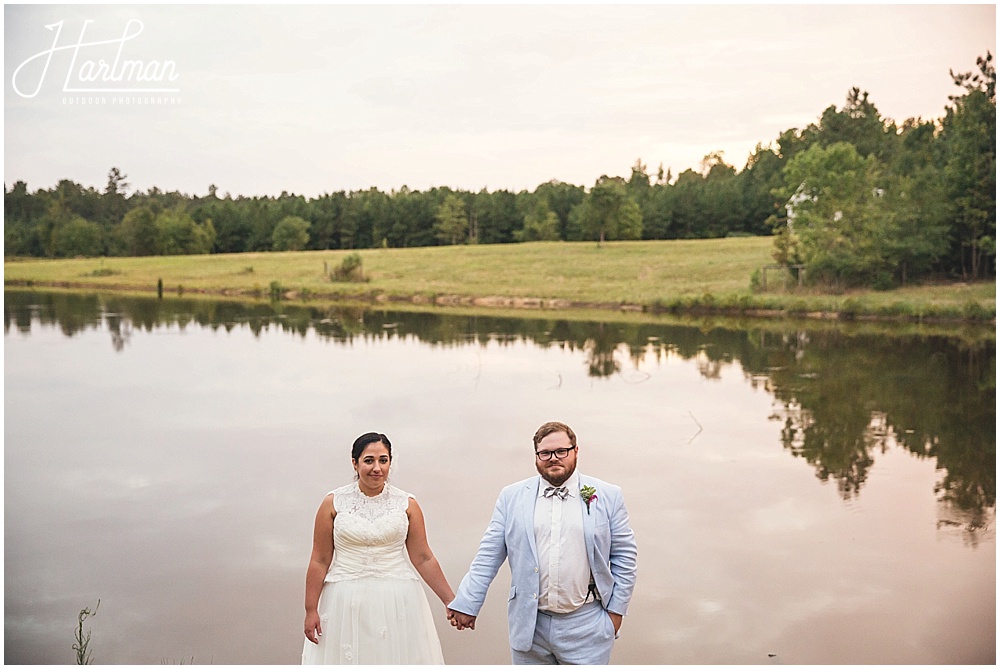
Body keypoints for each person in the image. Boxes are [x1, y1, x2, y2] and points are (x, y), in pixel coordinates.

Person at [447, 421, 638, 665]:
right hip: (529, 626)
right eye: (545, 453)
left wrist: (615, 615)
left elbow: (625, 556)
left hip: (588, 625)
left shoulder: (607, 495)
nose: (553, 458)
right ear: (536, 456)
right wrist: (466, 603)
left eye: (561, 451)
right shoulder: (512, 496)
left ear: (575, 451)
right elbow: (488, 555)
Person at [302, 432, 454, 664]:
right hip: (344, 600)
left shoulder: (407, 504)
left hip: (397, 601)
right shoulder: (333, 503)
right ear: (355, 463)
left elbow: (423, 558)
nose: (377, 468)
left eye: (383, 460)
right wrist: (310, 609)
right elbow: (320, 560)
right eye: (369, 460)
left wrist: (451, 601)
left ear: (390, 462)